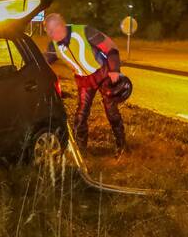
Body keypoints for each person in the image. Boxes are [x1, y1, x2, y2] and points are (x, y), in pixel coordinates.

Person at [43, 12, 126, 155]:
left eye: (52, 30)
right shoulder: (53, 46)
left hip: (103, 73)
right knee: (81, 115)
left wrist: (114, 69)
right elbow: (43, 62)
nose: (50, 34)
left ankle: (122, 147)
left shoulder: (84, 31)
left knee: (111, 111)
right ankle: (81, 150)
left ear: (61, 25)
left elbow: (110, 47)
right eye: (47, 31)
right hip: (84, 80)